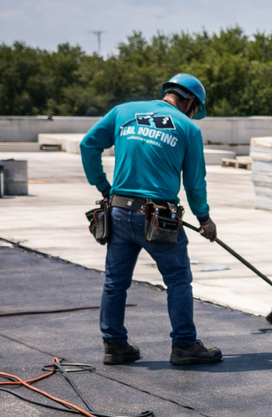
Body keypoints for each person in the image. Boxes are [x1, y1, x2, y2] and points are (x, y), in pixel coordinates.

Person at [80, 73, 223, 366]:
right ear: (190, 102)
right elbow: (196, 182)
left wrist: (104, 186)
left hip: (118, 210)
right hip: (159, 218)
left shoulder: (123, 111)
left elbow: (88, 145)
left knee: (115, 282)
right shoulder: (188, 129)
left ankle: (115, 346)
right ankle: (184, 345)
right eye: (195, 109)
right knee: (178, 280)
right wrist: (204, 219)